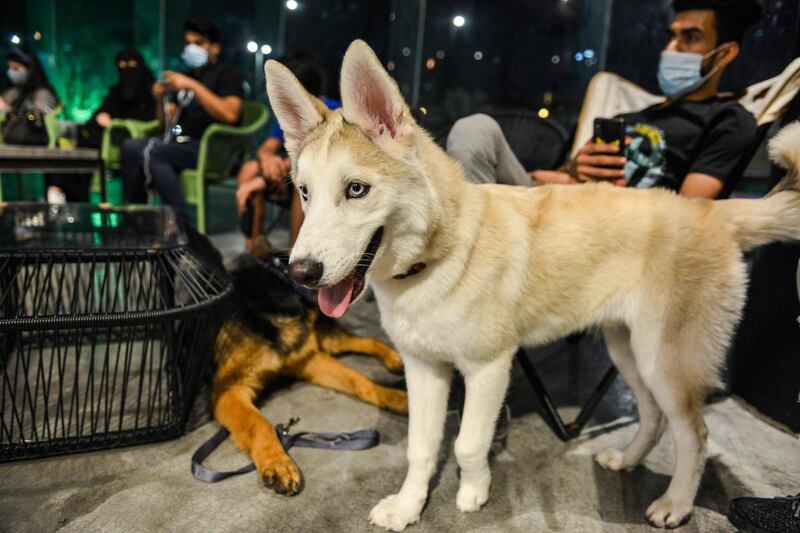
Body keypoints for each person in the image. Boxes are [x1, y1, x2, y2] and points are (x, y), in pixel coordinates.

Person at [447, 0, 763, 200]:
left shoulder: (728, 119)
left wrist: (609, 195)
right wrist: (574, 171)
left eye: (690, 37)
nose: (671, 48)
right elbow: (549, 181)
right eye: (671, 35)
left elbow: (692, 214)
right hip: (561, 206)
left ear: (724, 54)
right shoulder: (638, 114)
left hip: (612, 236)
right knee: (475, 129)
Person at [121, 19, 243, 222]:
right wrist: (160, 100)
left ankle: (181, 225)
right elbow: (164, 124)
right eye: (188, 43)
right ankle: (136, 218)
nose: (191, 48)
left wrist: (193, 86)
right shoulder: (185, 77)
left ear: (215, 47)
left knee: (154, 152)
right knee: (130, 146)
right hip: (180, 143)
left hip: (210, 148)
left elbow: (230, 115)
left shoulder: (227, 75)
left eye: (199, 43)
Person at [235, 51, 340, 253]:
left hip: (318, 180)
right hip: (284, 177)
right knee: (250, 168)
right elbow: (268, 147)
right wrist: (267, 160)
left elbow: (316, 159)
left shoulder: (335, 113)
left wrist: (264, 179)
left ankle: (297, 251)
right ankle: (255, 248)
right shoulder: (290, 114)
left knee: (302, 176)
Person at [48, 49, 157, 203]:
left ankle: (59, 189)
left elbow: (151, 122)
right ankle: (64, 193)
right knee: (75, 140)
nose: (127, 70)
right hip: (99, 139)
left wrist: (115, 124)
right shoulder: (116, 91)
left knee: (87, 144)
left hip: (129, 141)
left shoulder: (150, 93)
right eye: (122, 65)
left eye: (132, 65)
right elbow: (99, 115)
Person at [0, 47, 61, 201]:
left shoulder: (42, 93)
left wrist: (7, 111)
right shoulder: (11, 92)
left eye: (17, 68)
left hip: (35, 143)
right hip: (8, 144)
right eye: (9, 68)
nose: (12, 72)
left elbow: (38, 118)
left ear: (29, 68)